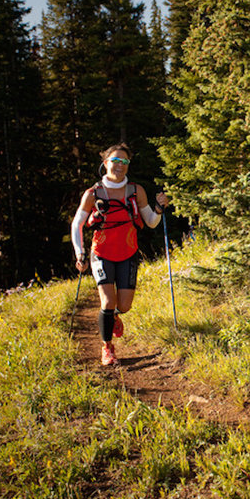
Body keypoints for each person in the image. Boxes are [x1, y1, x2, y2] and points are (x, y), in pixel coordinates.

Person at [70, 143, 169, 366]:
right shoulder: (93, 193)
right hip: (101, 253)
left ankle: (114, 316)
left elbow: (151, 223)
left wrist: (159, 208)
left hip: (128, 253)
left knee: (124, 306)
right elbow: (77, 224)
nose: (120, 166)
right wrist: (80, 253)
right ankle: (107, 348)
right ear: (105, 163)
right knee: (107, 300)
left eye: (124, 162)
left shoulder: (136, 191)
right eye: (115, 161)